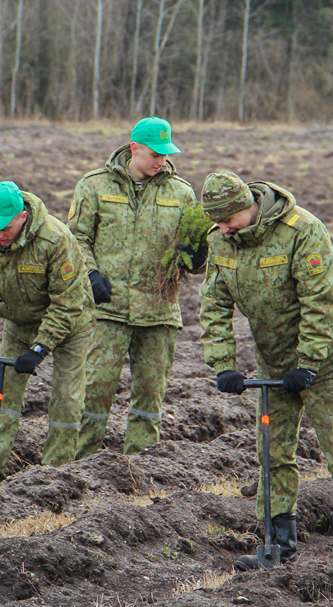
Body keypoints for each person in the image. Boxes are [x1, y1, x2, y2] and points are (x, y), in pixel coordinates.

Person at [199, 170, 333, 570]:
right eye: (218, 223)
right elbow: (213, 305)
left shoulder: (302, 230)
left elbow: (322, 301)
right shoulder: (220, 240)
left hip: (324, 362)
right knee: (272, 453)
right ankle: (279, 545)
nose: (223, 230)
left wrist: (309, 362)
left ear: (248, 207)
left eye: (228, 220)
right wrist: (223, 364)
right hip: (273, 363)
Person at [67, 117, 203, 459]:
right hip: (107, 308)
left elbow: (192, 257)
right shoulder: (94, 185)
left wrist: (197, 255)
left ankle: (141, 463)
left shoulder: (182, 192)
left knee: (150, 393)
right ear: (134, 149)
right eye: (155, 154)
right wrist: (91, 274)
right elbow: (77, 238)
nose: (161, 161)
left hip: (158, 311)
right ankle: (82, 462)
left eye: (166, 154)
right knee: (95, 388)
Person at [0, 180, 94, 480]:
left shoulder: (55, 238)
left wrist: (40, 348)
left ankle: (55, 474)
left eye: (4, 227)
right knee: (4, 394)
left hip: (71, 322)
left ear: (22, 216)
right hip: (19, 321)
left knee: (67, 399)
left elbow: (68, 303)